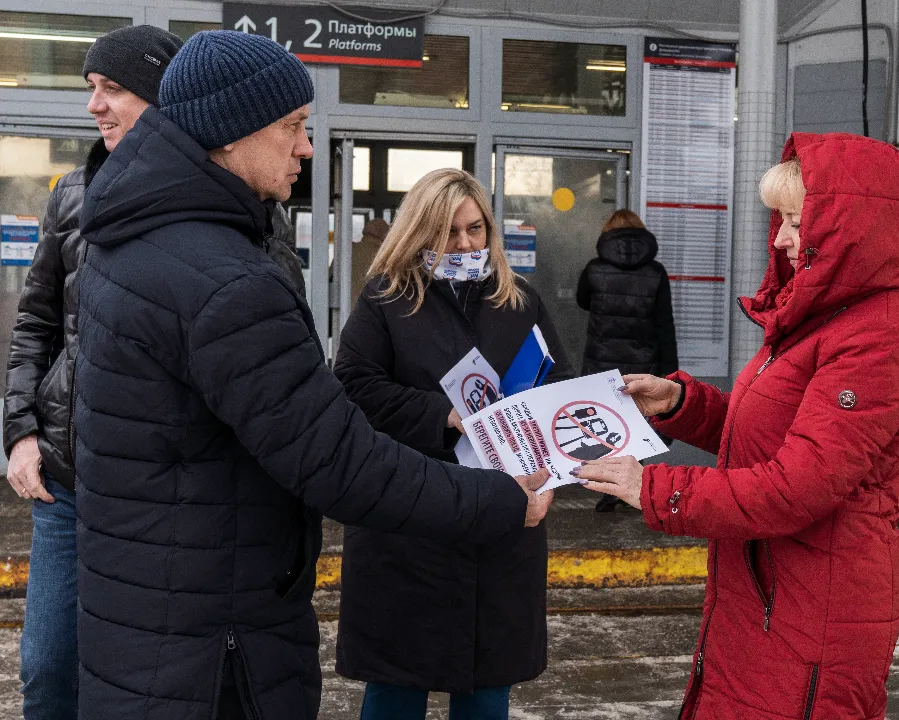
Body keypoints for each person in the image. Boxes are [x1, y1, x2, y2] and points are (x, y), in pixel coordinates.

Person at [73, 31, 553, 720]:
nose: (305, 148)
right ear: (231, 132)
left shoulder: (138, 241)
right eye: (293, 128)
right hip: (214, 649)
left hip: (152, 615)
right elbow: (338, 460)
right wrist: (500, 502)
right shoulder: (225, 280)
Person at [575, 133, 899, 719]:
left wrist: (653, 488)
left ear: (850, 227)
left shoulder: (879, 337)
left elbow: (798, 486)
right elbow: (769, 434)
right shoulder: (823, 316)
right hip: (770, 591)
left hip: (816, 608)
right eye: (782, 220)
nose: (784, 238)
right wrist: (678, 403)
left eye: (797, 220)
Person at [333, 168, 573, 720]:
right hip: (407, 524)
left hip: (501, 527)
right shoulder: (385, 299)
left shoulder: (522, 302)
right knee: (395, 689)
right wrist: (446, 416)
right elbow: (353, 387)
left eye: (476, 229)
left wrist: (550, 481)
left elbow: (555, 389)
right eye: (449, 232)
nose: (466, 244)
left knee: (487, 693)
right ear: (420, 233)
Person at [2, 25, 183, 720]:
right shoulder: (71, 194)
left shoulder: (215, 201)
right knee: (48, 673)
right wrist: (20, 433)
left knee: (140, 685)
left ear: (162, 101)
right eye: (90, 89)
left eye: (113, 89)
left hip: (160, 498)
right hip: (68, 488)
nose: (94, 106)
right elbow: (35, 328)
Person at [575, 209, 677, 512]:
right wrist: (670, 371)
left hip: (601, 365)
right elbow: (664, 324)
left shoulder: (594, 269)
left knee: (604, 426)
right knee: (636, 426)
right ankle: (633, 488)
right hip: (643, 364)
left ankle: (609, 489)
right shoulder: (656, 273)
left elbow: (583, 301)